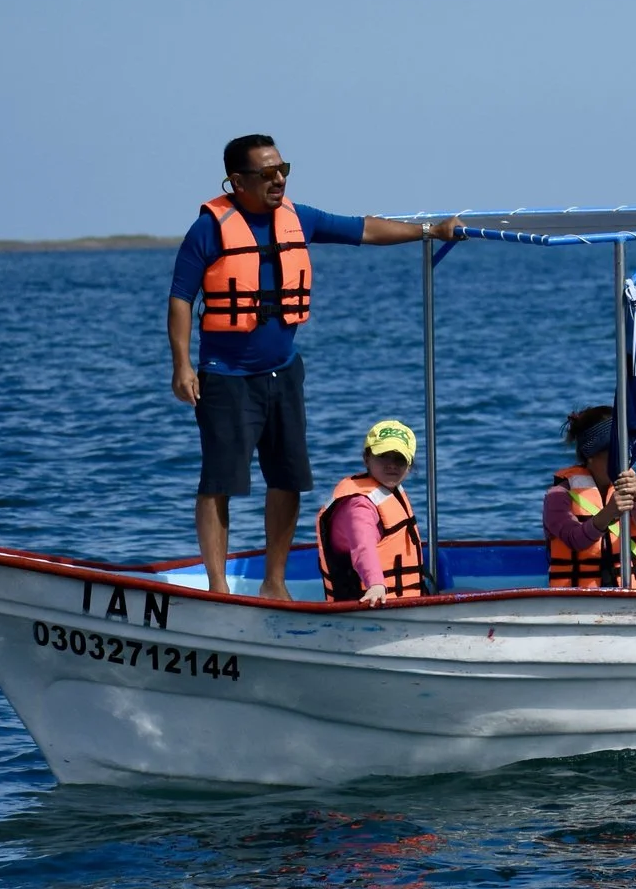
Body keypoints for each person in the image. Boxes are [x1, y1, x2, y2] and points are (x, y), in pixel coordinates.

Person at [168, 134, 457, 598]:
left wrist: (430, 232)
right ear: (237, 181)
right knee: (218, 482)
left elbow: (363, 229)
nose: (278, 179)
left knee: (287, 479)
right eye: (266, 173)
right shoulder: (208, 229)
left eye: (283, 169)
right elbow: (181, 297)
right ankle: (218, 587)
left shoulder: (297, 218)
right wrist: (182, 365)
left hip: (283, 372)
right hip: (224, 376)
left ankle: (274, 582)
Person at [545, 405, 636, 590]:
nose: (624, 459)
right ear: (590, 455)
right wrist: (608, 513)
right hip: (577, 601)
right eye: (615, 453)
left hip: (633, 595)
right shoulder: (558, 496)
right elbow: (575, 540)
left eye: (628, 451)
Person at [315, 420, 429, 605]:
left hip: (404, 603)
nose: (391, 465)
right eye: (383, 456)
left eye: (399, 458)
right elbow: (363, 547)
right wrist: (375, 584)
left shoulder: (390, 492)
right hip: (367, 602)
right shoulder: (359, 505)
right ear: (366, 458)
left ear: (409, 464)